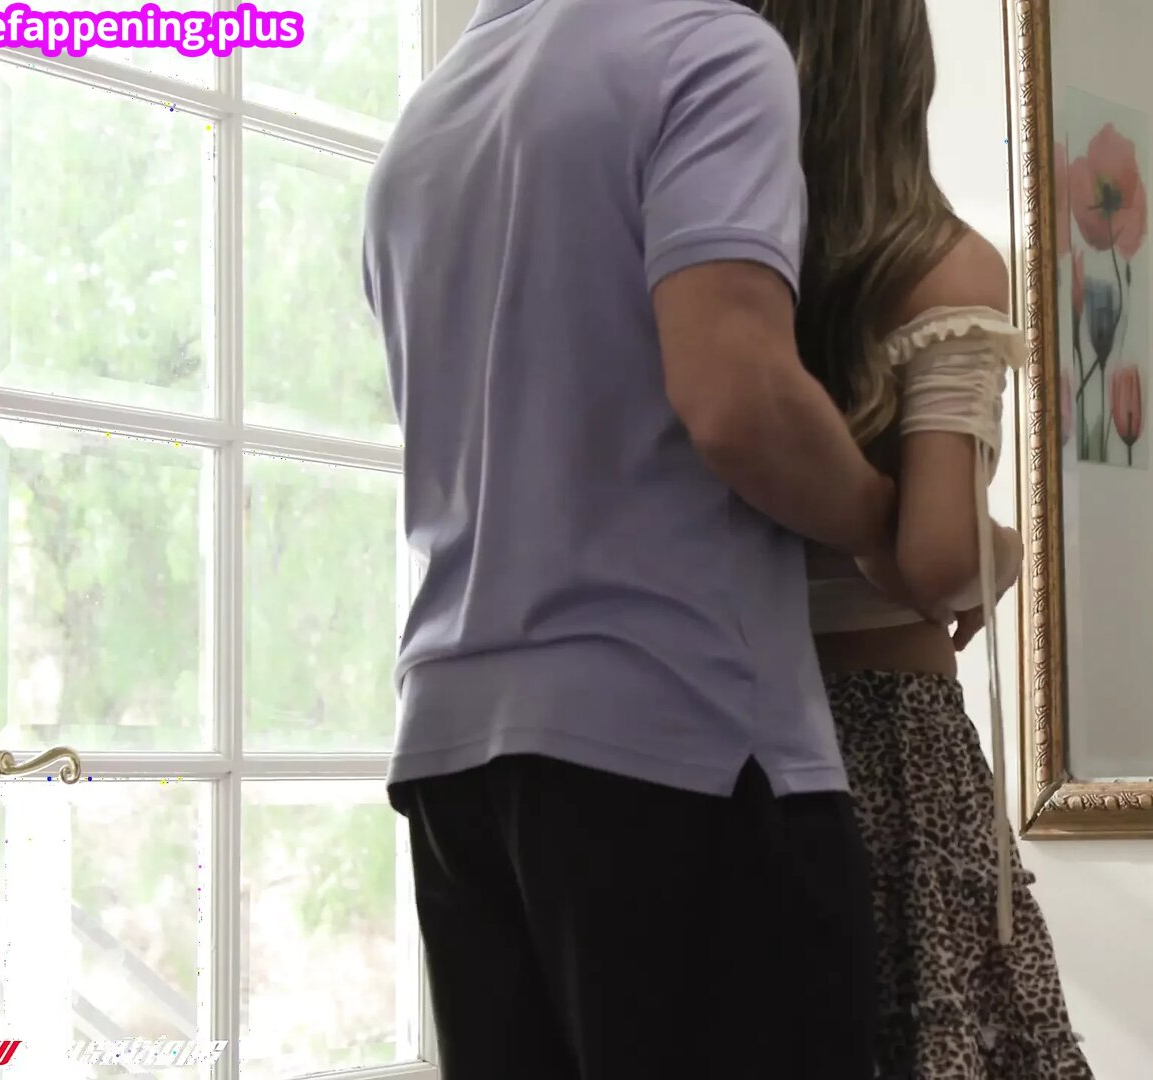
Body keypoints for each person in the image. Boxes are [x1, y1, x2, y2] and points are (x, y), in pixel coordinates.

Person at [360, 1, 898, 1075]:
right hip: (678, 734)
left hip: (452, 751)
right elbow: (737, 400)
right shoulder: (708, 48)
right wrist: (888, 530)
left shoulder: (426, 121)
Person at [750, 1, 1094, 1075]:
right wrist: (1010, 552)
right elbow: (937, 560)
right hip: (889, 733)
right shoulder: (944, 270)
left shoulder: (715, 260)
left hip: (729, 717)